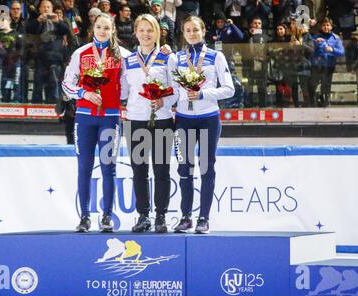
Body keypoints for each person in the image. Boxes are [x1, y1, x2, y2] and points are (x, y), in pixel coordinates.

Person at [62, 13, 131, 232]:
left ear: (113, 31)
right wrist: (84, 92)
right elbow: (66, 84)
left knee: (108, 168)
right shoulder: (80, 53)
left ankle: (107, 217)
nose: (102, 31)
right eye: (99, 27)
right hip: (84, 117)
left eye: (107, 28)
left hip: (110, 119)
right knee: (84, 168)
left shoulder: (123, 55)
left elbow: (130, 85)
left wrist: (119, 95)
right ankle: (84, 217)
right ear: (93, 28)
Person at [168, 16, 235, 234]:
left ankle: (204, 218)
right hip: (183, 120)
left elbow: (229, 89)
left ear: (203, 30)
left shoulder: (216, 56)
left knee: (206, 167)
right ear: (183, 33)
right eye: (188, 30)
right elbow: (173, 91)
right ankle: (186, 216)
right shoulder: (176, 58)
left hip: (208, 118)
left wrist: (203, 93)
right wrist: (161, 100)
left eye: (195, 29)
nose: (192, 33)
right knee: (184, 168)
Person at [120, 14, 178, 233]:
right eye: (142, 30)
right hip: (135, 120)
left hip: (162, 120)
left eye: (150, 30)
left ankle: (161, 216)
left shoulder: (167, 58)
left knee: (161, 170)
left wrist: (164, 99)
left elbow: (177, 89)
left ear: (157, 33)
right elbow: (125, 91)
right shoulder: (128, 61)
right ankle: (143, 215)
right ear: (135, 32)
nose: (146, 34)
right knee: (139, 170)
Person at [26, 0, 69, 103]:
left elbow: (66, 30)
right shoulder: (36, 20)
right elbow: (29, 29)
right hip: (40, 55)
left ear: (52, 9)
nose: (46, 9)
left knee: (54, 81)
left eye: (48, 7)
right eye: (43, 7)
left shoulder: (58, 20)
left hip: (55, 55)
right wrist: (38, 20)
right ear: (39, 9)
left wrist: (57, 21)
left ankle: (54, 103)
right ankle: (37, 104)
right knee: (38, 81)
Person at [309, 17, 345, 108]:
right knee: (312, 86)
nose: (326, 27)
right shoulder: (315, 37)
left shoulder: (336, 38)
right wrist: (314, 43)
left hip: (328, 66)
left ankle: (325, 104)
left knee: (326, 87)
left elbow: (342, 52)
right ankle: (312, 105)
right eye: (324, 25)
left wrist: (332, 49)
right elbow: (308, 48)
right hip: (316, 66)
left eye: (328, 25)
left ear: (331, 27)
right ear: (321, 27)